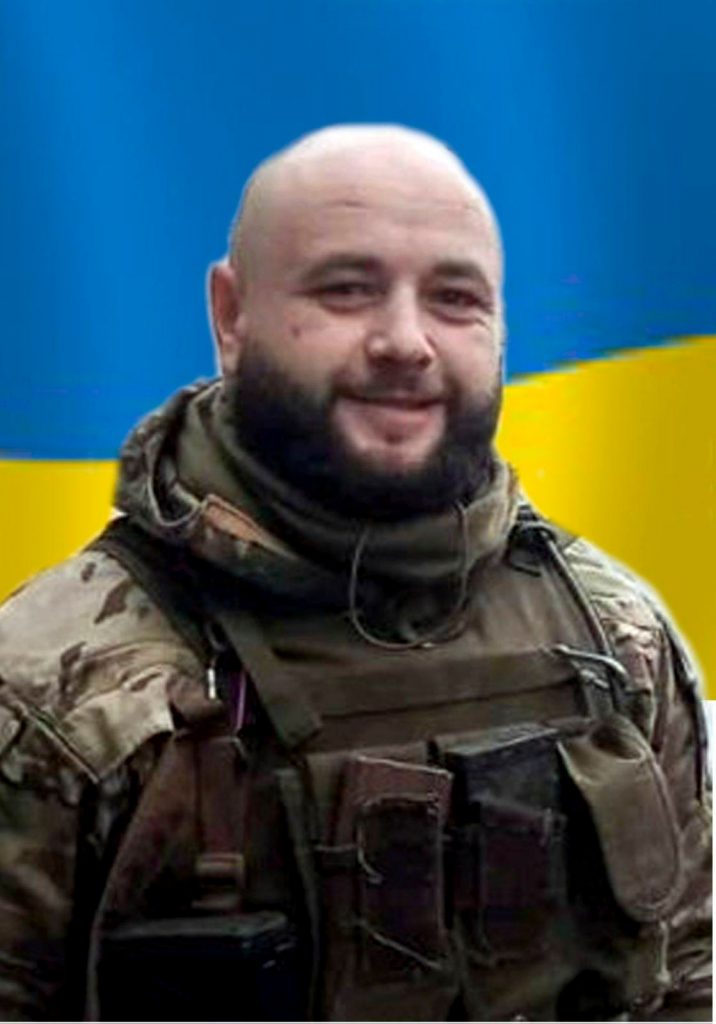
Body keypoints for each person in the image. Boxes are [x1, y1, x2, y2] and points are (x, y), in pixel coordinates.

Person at [0, 125, 710, 1022]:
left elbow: (687, 973)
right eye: (346, 289)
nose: (405, 341)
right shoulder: (58, 691)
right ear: (230, 315)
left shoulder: (613, 636)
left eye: (455, 298)